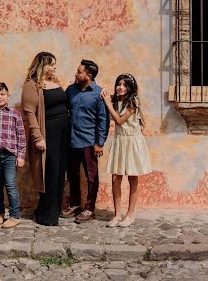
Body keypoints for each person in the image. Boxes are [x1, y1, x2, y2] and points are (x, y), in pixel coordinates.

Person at [21, 52, 68, 226]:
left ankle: (51, 209)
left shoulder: (55, 82)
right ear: (42, 65)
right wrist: (38, 138)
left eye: (55, 63)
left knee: (59, 171)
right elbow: (30, 114)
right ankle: (47, 215)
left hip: (63, 134)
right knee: (50, 172)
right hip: (48, 134)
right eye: (52, 64)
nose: (55, 67)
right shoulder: (31, 86)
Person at [61, 59, 109, 223]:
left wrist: (99, 143)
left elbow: (103, 120)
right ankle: (75, 204)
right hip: (71, 141)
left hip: (89, 142)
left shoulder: (99, 93)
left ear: (88, 76)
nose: (76, 74)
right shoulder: (71, 90)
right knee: (72, 175)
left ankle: (89, 209)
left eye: (79, 72)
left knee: (91, 177)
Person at [101, 73, 151, 227]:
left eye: (125, 85)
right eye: (119, 84)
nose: (121, 87)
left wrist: (107, 103)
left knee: (132, 178)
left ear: (131, 88)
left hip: (132, 142)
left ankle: (130, 215)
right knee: (116, 178)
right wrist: (107, 98)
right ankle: (117, 215)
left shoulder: (133, 101)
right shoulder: (116, 100)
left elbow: (119, 120)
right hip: (119, 141)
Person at [0, 82, 26, 229]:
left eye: (2, 94)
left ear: (8, 96)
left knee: (10, 185)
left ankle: (14, 215)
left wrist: (21, 156)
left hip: (9, 155)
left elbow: (21, 136)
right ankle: (0, 213)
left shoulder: (14, 114)